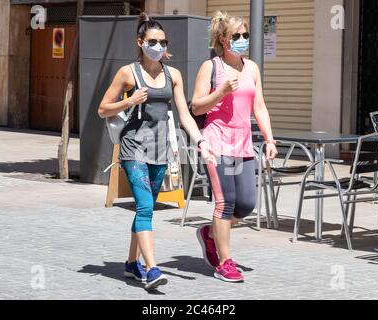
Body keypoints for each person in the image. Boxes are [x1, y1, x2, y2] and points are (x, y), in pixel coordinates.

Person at [98, 13, 216, 291]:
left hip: (161, 149)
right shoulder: (128, 73)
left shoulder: (172, 75)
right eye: (153, 41)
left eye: (163, 42)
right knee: (144, 207)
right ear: (140, 42)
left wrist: (200, 141)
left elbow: (185, 114)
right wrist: (129, 101)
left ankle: (130, 264)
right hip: (133, 148)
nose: (159, 46)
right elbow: (103, 108)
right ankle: (151, 269)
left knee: (145, 209)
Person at [191, 11, 278, 283]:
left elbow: (259, 106)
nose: (242, 40)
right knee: (225, 202)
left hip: (243, 144)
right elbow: (195, 106)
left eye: (245, 35)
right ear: (223, 39)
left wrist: (269, 139)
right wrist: (221, 92)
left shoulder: (251, 67)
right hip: (217, 142)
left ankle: (209, 233)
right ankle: (224, 262)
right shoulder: (211, 67)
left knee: (246, 204)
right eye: (236, 36)